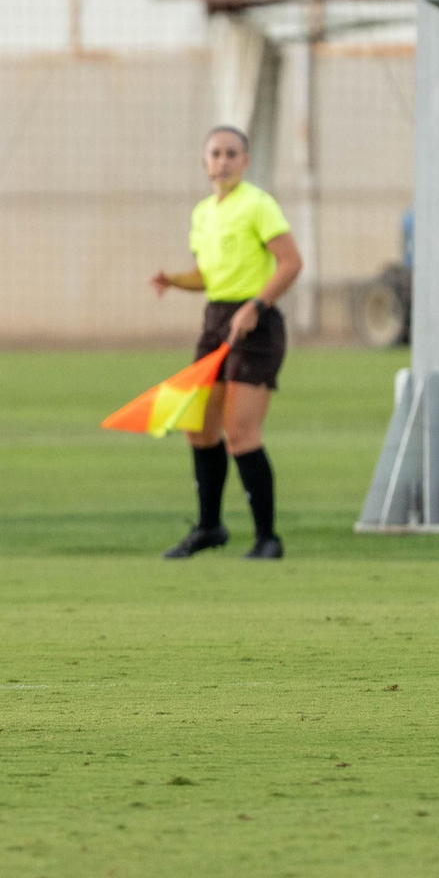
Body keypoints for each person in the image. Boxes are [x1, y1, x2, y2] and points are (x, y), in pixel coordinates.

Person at [150, 124, 303, 560]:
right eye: (215, 153)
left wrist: (256, 304)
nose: (223, 161)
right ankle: (210, 527)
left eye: (232, 153)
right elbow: (207, 276)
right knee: (197, 428)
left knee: (240, 431)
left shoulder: (258, 205)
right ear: (204, 162)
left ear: (246, 161)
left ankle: (267, 539)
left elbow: (291, 263)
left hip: (256, 324)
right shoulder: (203, 213)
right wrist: (174, 280)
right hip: (217, 321)